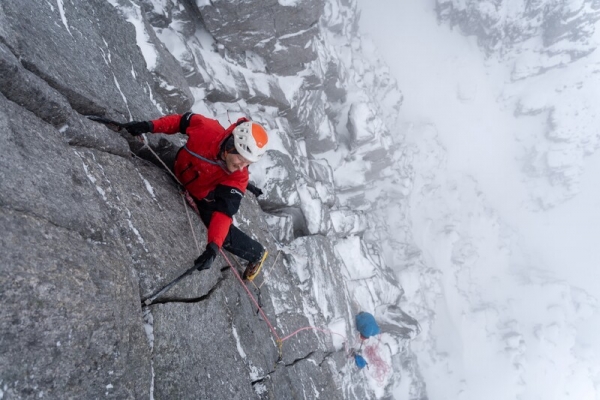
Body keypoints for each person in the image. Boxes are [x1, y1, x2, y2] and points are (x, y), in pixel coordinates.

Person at [122, 112, 269, 280]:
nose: (242, 167)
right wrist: (149, 125)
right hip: (179, 168)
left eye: (248, 164)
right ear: (231, 146)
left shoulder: (238, 178)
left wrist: (213, 247)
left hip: (202, 195)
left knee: (224, 235)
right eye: (241, 160)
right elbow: (179, 122)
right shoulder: (206, 129)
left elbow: (224, 213)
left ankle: (257, 253)